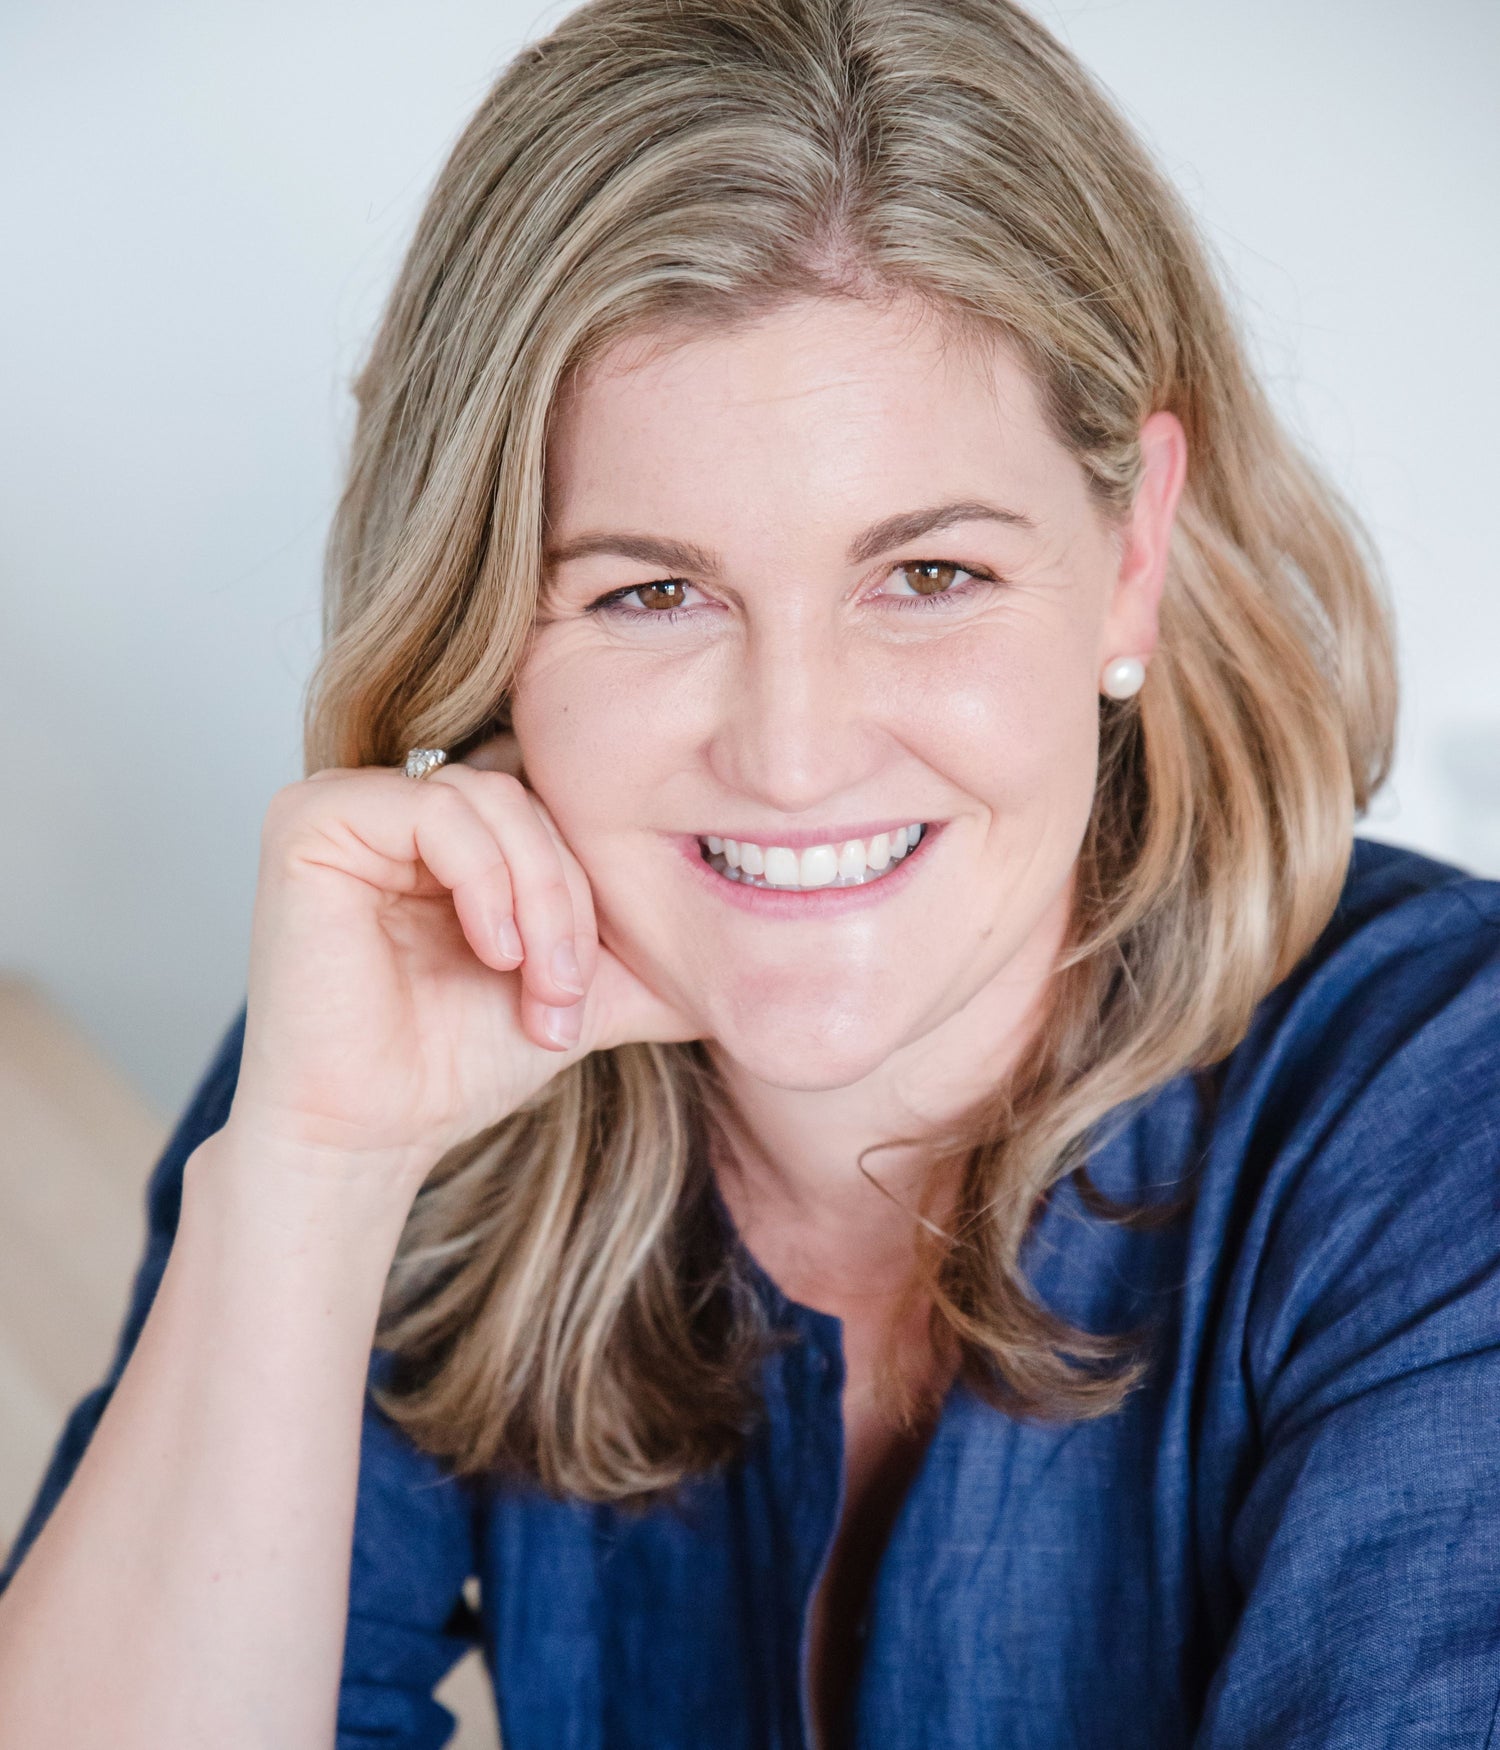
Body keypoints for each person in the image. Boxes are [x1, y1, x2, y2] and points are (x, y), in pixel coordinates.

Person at [2, 0, 1498, 1744]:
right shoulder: (412, 1040)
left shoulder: (1441, 1108)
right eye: (652, 590)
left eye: (928, 573)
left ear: (1131, 553)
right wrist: (314, 1176)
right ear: (494, 630)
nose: (792, 752)